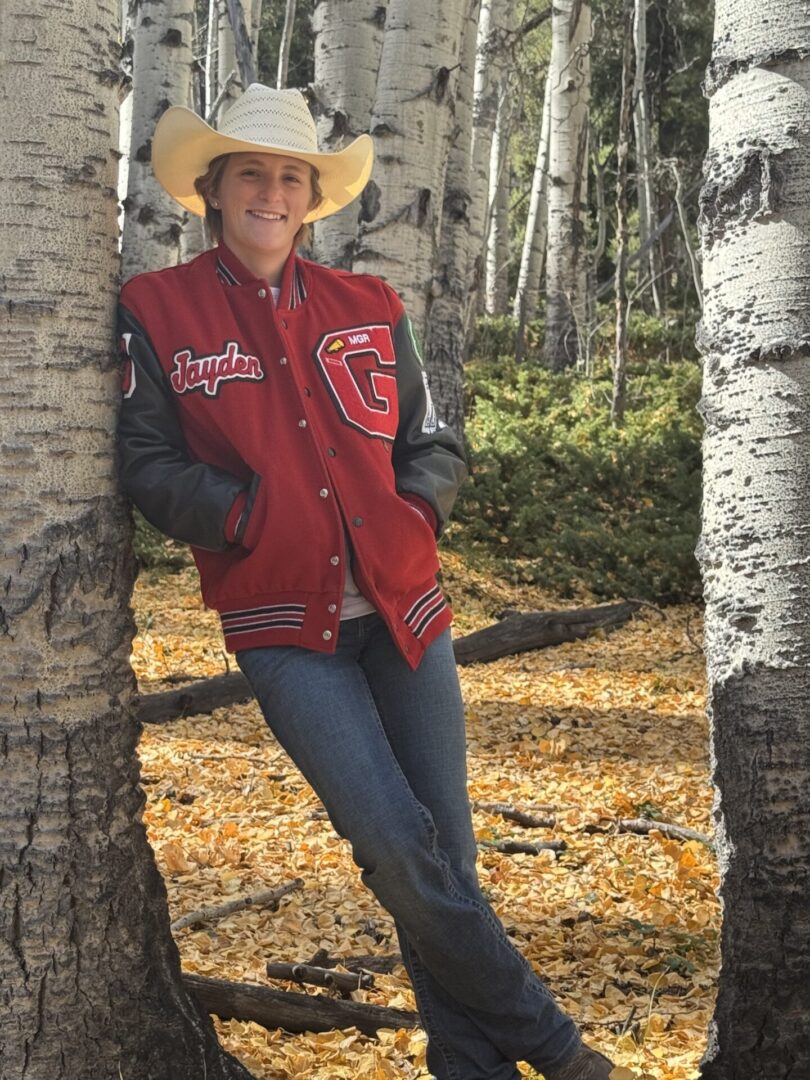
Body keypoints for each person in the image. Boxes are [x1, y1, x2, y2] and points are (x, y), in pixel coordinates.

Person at [117, 83, 621, 1080]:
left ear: (310, 197)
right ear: (213, 190)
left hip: (407, 614)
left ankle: (469, 1070)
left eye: (289, 177)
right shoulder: (156, 312)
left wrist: (413, 514)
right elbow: (144, 461)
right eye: (251, 174)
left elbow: (433, 442)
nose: (271, 192)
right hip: (280, 626)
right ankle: (559, 1050)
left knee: (450, 863)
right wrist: (246, 516)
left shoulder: (370, 307)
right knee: (395, 846)